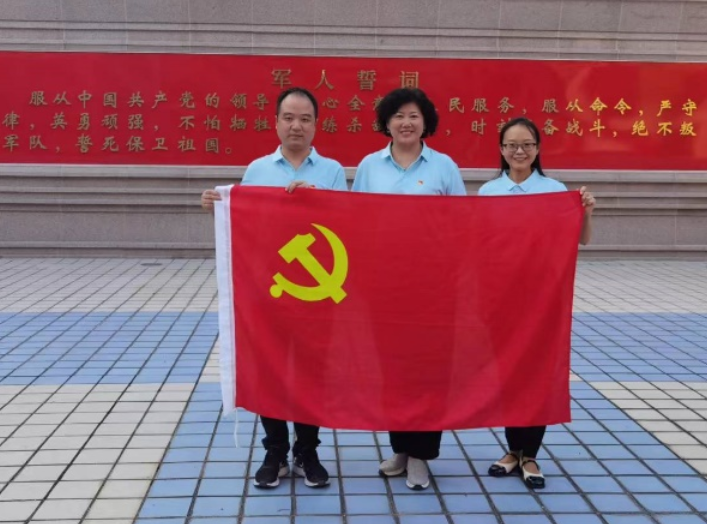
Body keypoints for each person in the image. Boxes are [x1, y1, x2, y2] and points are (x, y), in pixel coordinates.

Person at [201, 87, 347, 490]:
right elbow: (246, 223)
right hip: (271, 292)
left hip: (317, 294)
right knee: (272, 370)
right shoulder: (257, 169)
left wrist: (320, 201)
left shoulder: (332, 171)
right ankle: (276, 451)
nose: (296, 125)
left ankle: (308, 451)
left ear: (316, 125)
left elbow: (347, 225)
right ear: (276, 122)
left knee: (312, 373)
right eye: (289, 117)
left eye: (305, 119)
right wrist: (219, 207)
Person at [352, 87, 466, 490]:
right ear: (386, 122)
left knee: (428, 371)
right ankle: (400, 448)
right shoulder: (370, 166)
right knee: (393, 370)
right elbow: (353, 219)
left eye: (414, 116)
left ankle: (421, 456)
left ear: (425, 122)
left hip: (433, 288)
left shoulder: (444, 166)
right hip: (384, 287)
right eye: (398, 115)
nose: (406, 122)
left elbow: (461, 224)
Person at [479, 116, 595, 490]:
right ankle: (513, 451)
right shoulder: (489, 192)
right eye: (512, 145)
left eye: (527, 144)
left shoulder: (553, 191)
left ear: (538, 148)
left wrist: (586, 211)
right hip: (502, 299)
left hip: (543, 299)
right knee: (508, 374)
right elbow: (479, 244)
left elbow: (581, 239)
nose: (519, 151)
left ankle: (530, 454)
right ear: (501, 150)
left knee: (538, 374)